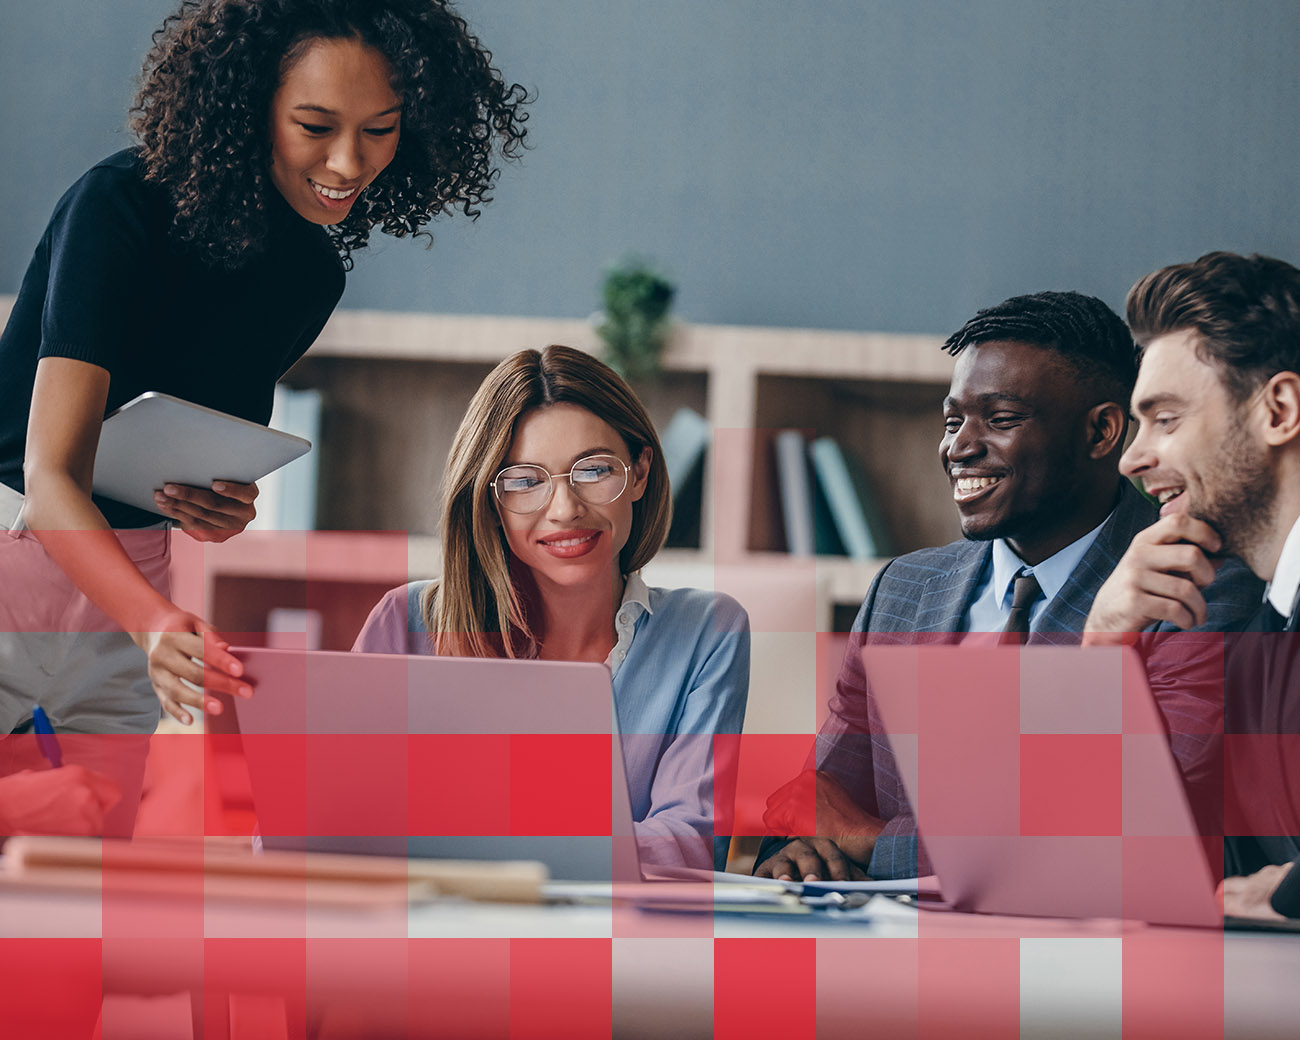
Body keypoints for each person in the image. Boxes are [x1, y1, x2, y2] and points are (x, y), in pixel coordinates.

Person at [0, 0, 530, 748]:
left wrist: (217, 510)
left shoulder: (310, 277)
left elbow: (177, 450)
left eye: (380, 128)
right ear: (252, 107)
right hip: (24, 542)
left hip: (134, 576)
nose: (350, 163)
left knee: (87, 859)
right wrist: (151, 623)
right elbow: (51, 474)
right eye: (316, 127)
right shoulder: (117, 206)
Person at [755, 291, 1262, 882]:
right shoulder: (903, 589)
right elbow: (815, 805)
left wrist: (876, 843)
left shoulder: (1197, 587)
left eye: (999, 420)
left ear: (1102, 431)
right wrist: (795, 855)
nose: (959, 448)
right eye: (952, 421)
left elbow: (1142, 838)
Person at [354, 345, 750, 871]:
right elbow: (313, 824)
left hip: (612, 942)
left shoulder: (708, 632)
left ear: (640, 473)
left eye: (593, 471)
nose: (565, 510)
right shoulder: (408, 623)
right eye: (524, 481)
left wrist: (476, 838)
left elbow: (690, 845)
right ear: (490, 503)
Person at [1083, 251, 1300, 919]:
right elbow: (1143, 862)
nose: (1131, 458)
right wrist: (1104, 647)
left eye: (1166, 419)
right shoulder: (1262, 626)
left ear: (1280, 410)